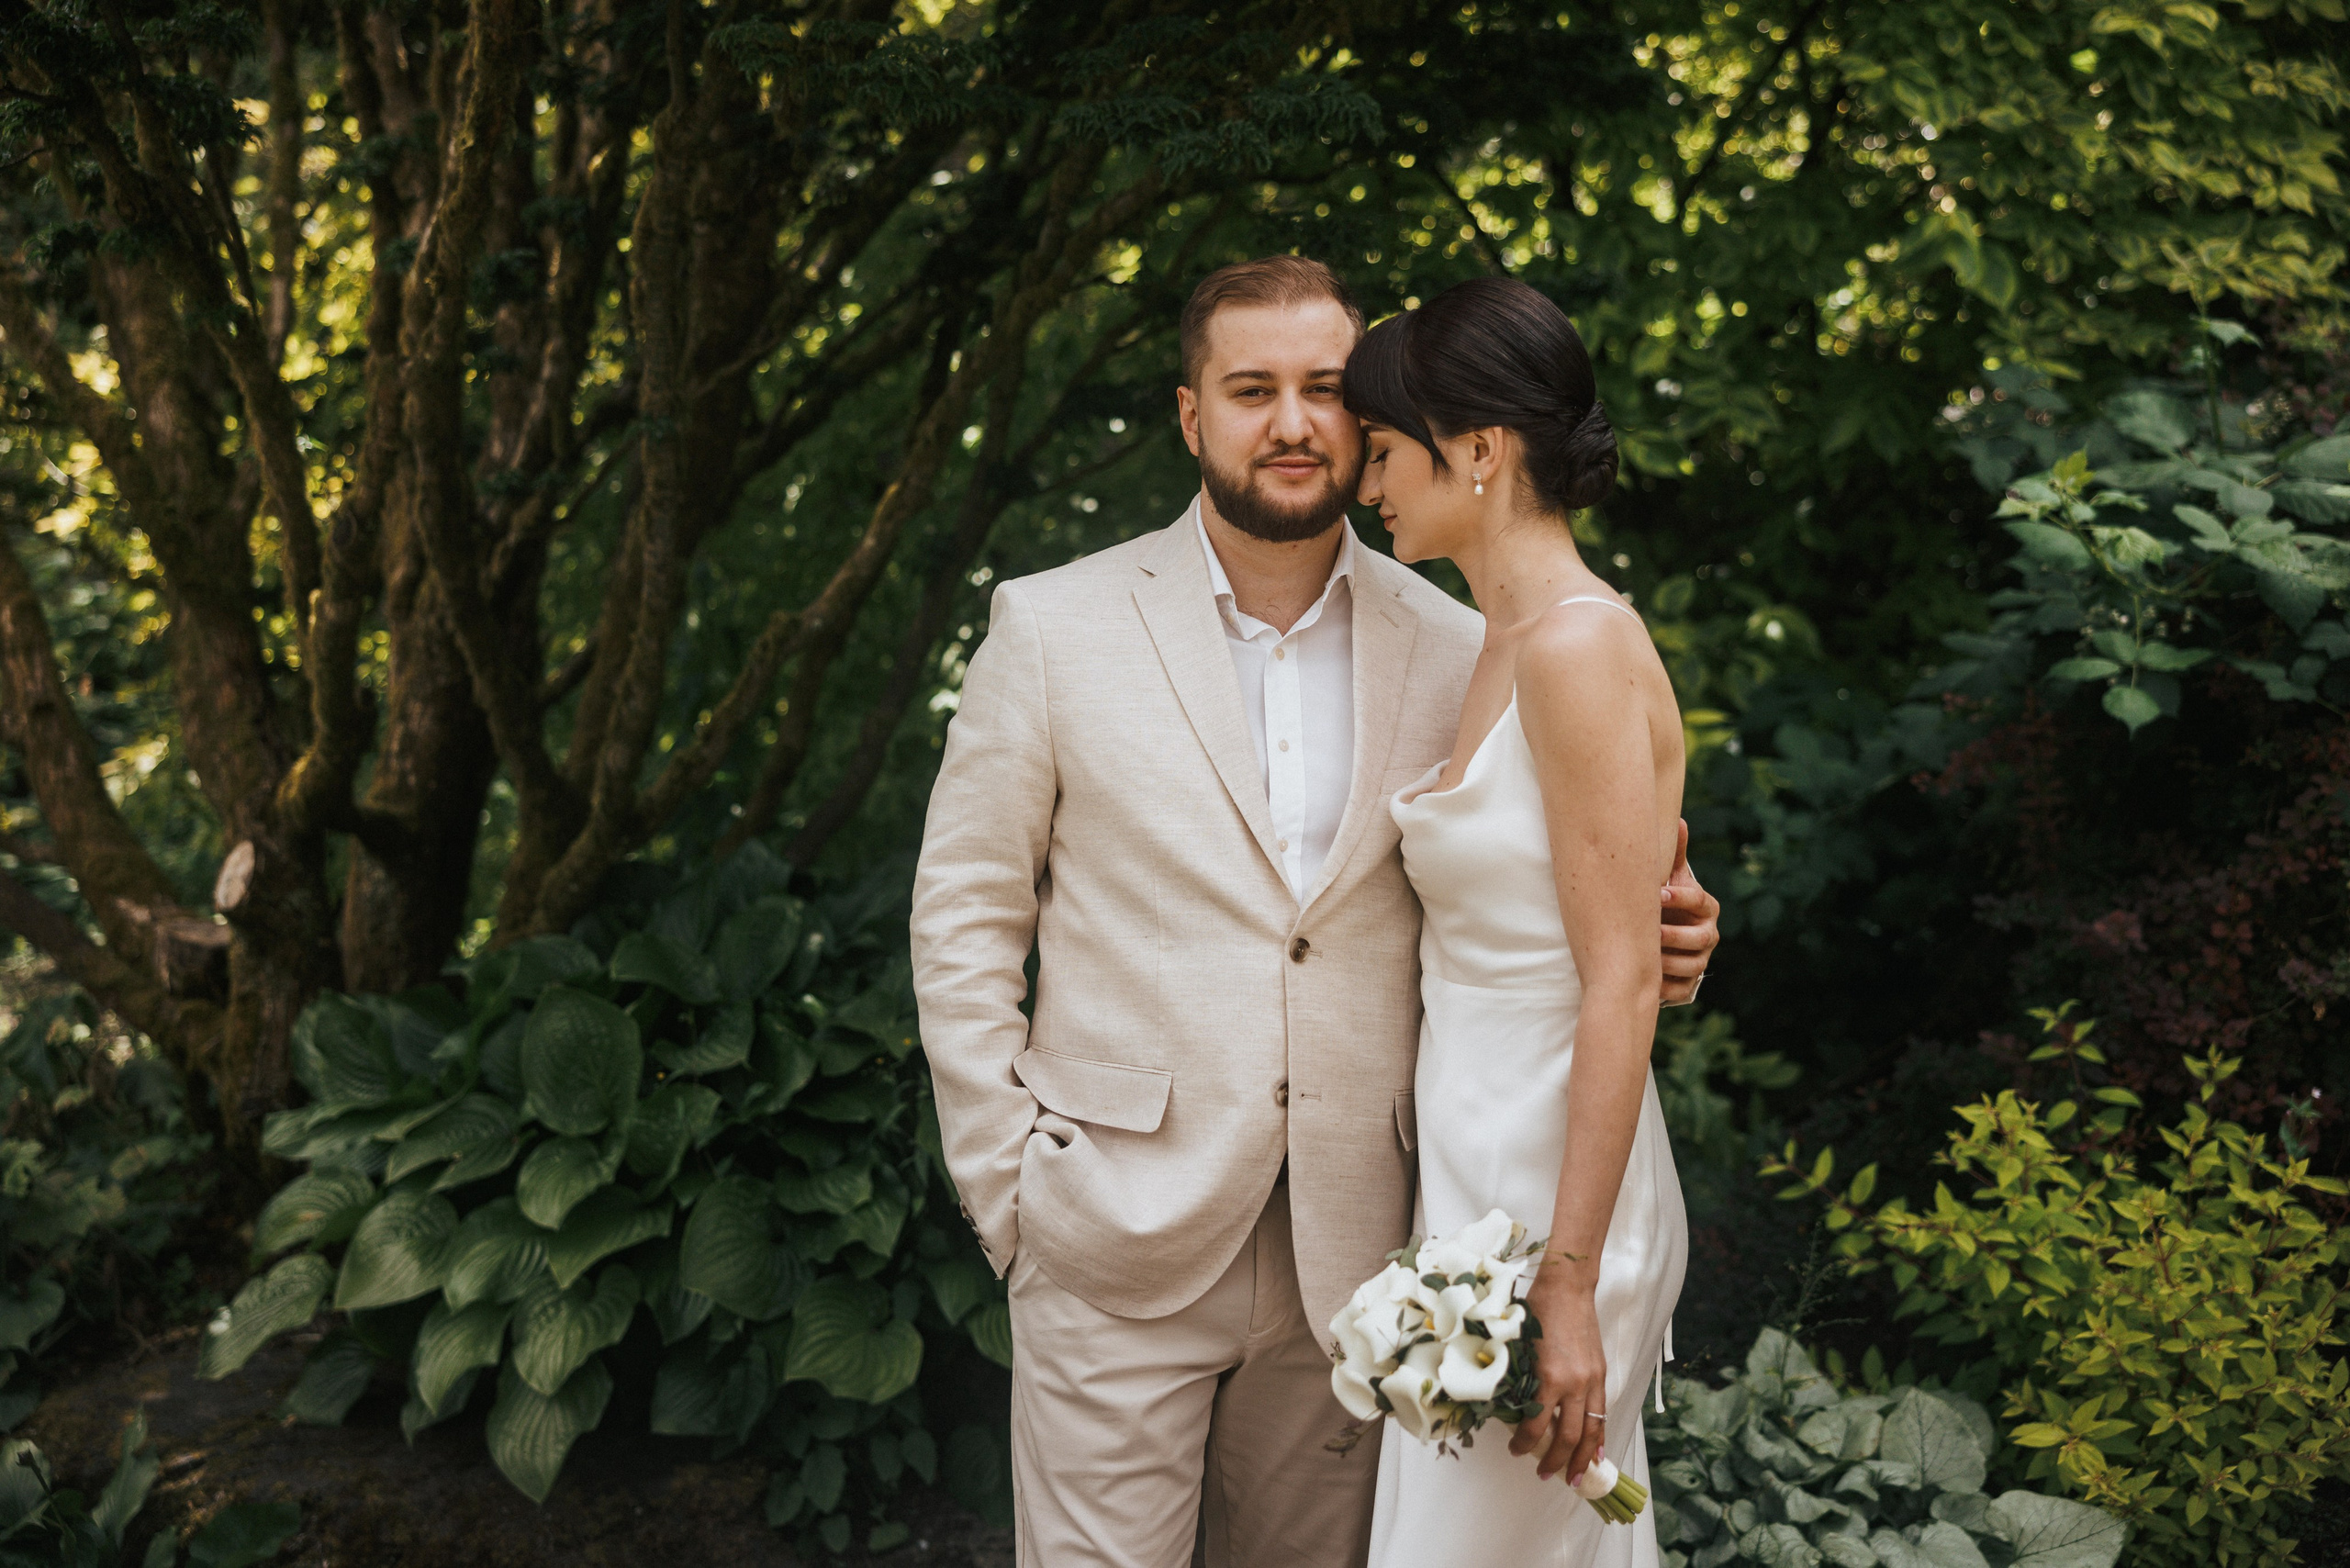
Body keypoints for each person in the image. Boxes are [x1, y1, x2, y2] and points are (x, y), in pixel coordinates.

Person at [909, 255, 1717, 1568]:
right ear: (1190, 416)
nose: (1292, 423)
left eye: (1326, 390)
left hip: (1376, 1247)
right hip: (1113, 1234)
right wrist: (1013, 1192)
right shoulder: (1052, 629)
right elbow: (962, 919)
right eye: (1250, 389)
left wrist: (1671, 938)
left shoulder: (1469, 640)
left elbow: (1567, 902)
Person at [1350, 275, 1689, 1567]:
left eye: (1386, 449)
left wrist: (1566, 1281)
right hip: (1474, 1166)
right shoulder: (1497, 640)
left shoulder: (1575, 648)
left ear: (1478, 451)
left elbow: (1621, 983)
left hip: (1552, 1190)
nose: (1368, 480)